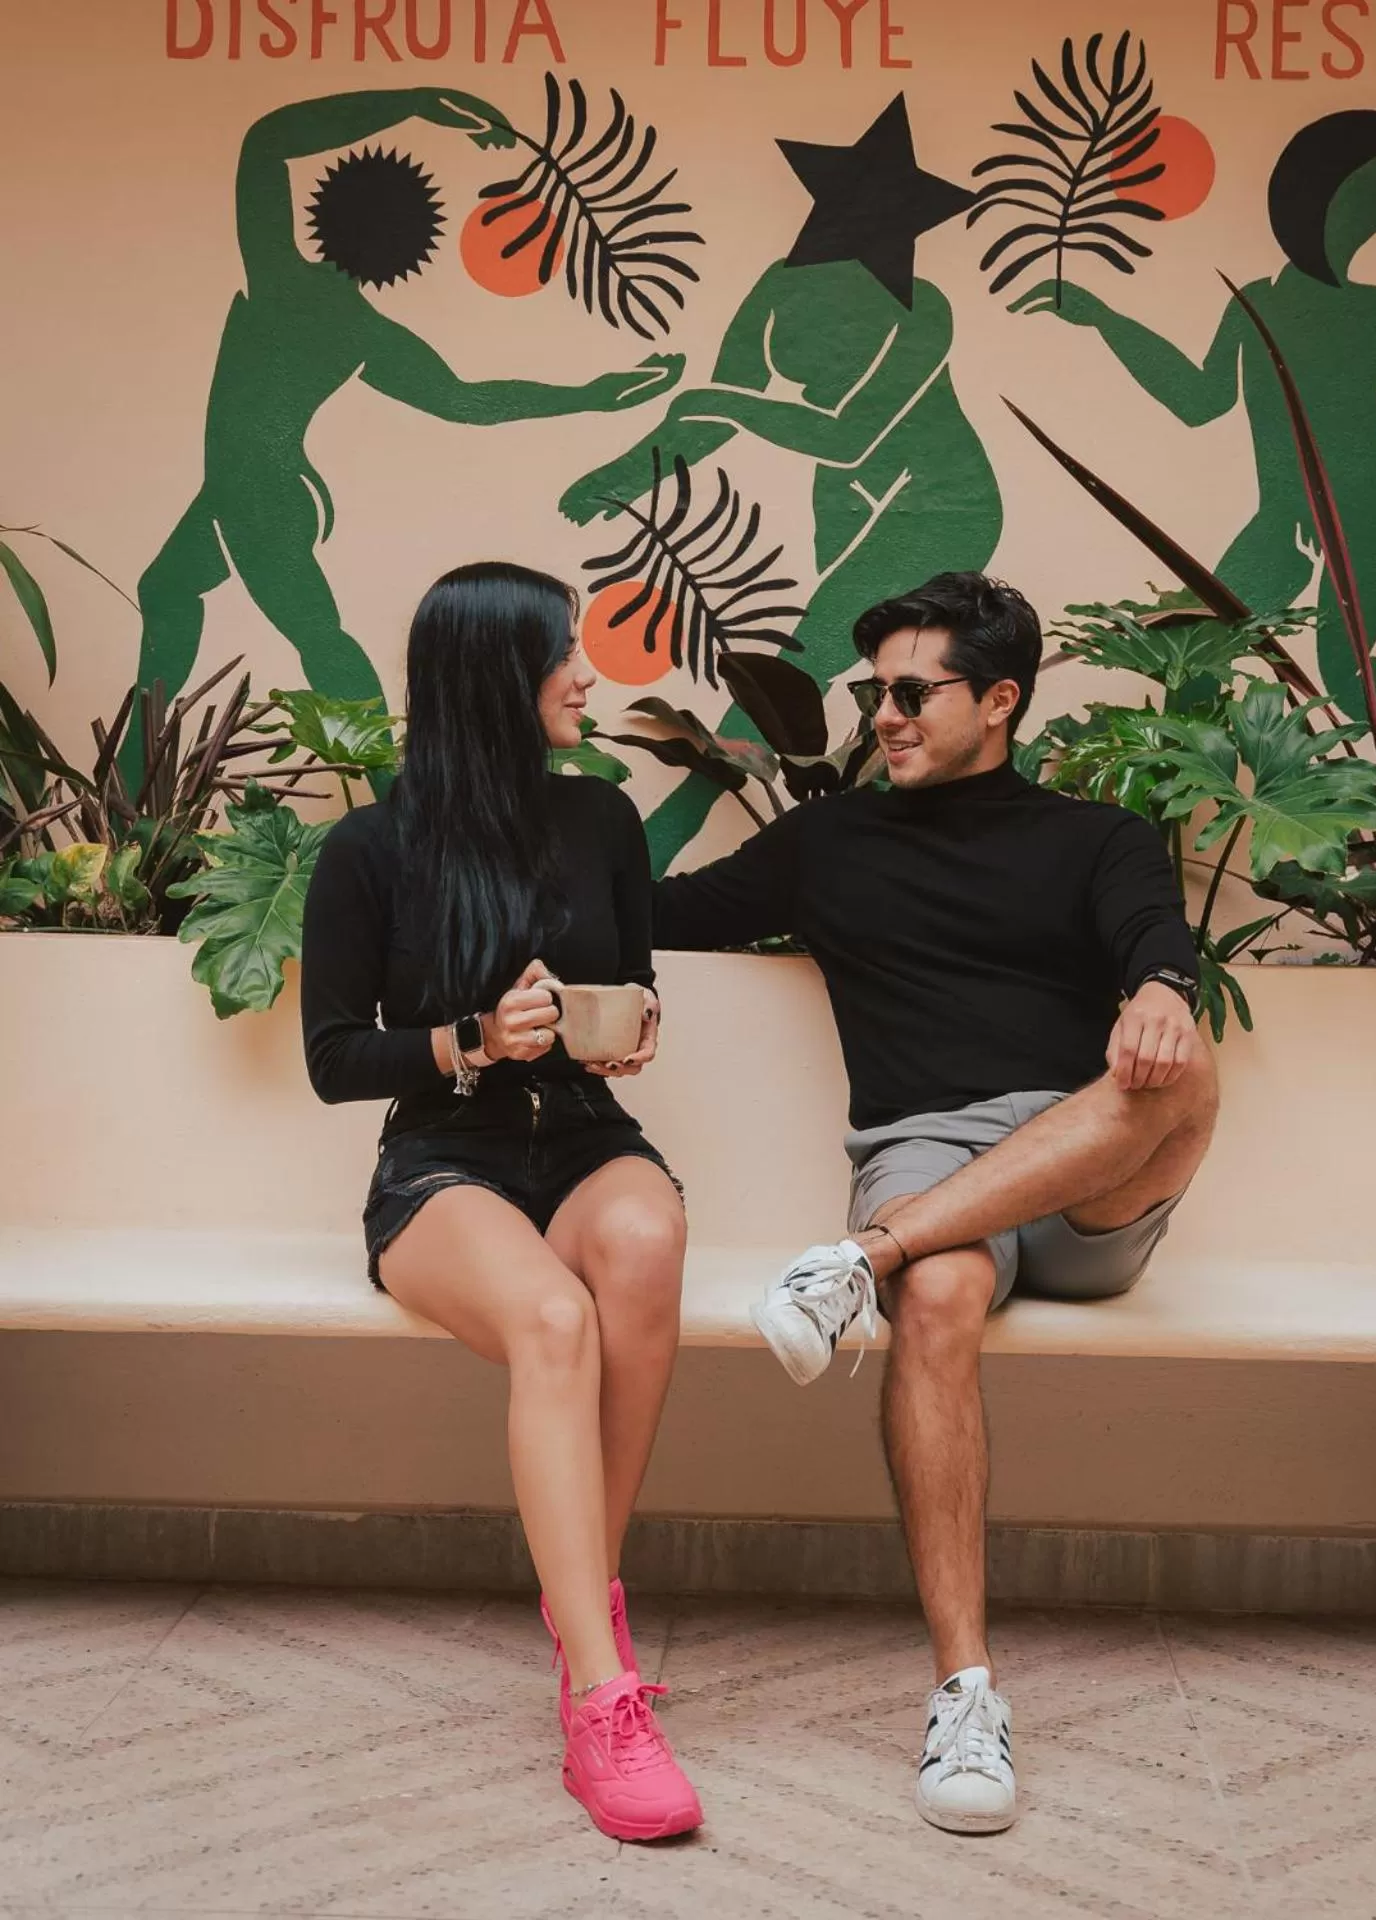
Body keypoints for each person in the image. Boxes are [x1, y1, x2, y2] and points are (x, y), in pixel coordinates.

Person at [653, 571, 1218, 1834]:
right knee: (943, 1296)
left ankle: (863, 1256)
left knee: (1193, 1077)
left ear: (1001, 699)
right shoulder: (830, 841)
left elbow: (1151, 937)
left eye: (914, 690)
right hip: (922, 1152)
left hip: (1082, 1163)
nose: (885, 714)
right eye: (876, 692)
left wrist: (1165, 990)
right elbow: (657, 913)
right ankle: (967, 1699)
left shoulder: (1095, 838)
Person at [301, 561, 701, 1841]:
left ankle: (583, 1599)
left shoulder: (602, 823)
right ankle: (600, 1697)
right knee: (552, 1319)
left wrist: (623, 1033)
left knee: (643, 1242)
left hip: (583, 1134)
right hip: (444, 1163)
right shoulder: (369, 851)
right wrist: (470, 1038)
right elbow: (330, 1059)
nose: (588, 675)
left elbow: (631, 981)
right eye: (564, 654)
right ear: (493, 677)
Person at [130, 89, 680, 784]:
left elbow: (268, 138)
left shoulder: (279, 274)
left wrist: (417, 104)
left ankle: (399, 797)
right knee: (168, 591)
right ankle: (135, 788)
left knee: (318, 640)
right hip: (244, 487)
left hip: (258, 490)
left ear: (330, 213)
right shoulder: (362, 330)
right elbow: (468, 400)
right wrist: (593, 396)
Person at [559, 97, 1003, 872]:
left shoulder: (921, 309)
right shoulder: (776, 286)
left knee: (806, 669)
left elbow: (848, 434)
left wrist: (710, 399)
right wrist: (622, 472)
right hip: (850, 503)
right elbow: (719, 417)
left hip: (938, 503)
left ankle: (661, 848)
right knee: (848, 685)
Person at [1013, 110, 1376, 751]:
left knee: (1344, 675)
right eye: (1345, 208)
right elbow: (1198, 400)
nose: (1352, 227)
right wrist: (1107, 320)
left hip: (1370, 514)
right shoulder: (1255, 303)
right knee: (1196, 652)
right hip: (1282, 517)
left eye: (1368, 213)